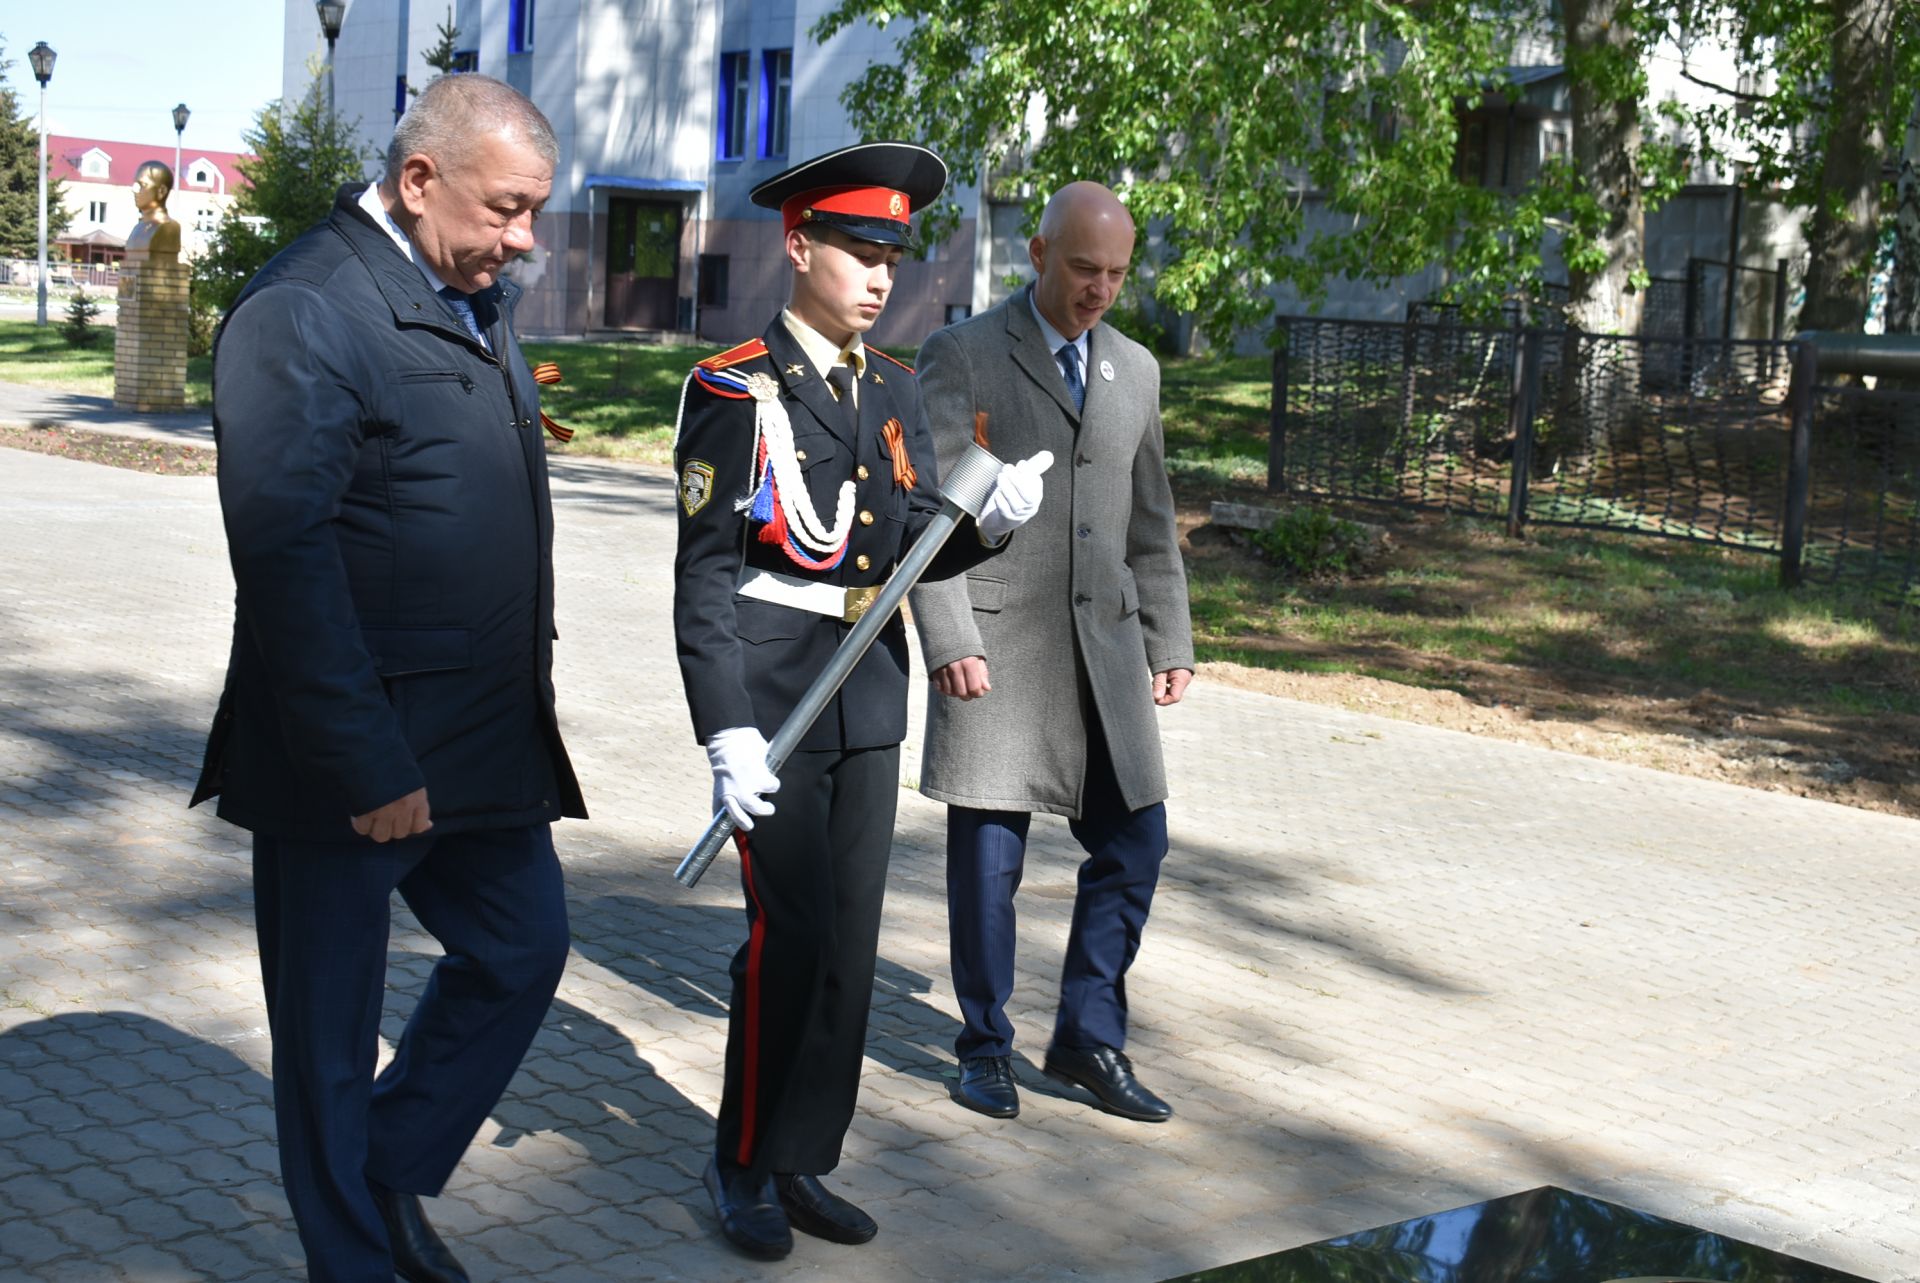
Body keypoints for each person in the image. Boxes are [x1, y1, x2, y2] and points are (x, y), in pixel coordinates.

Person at [190, 74, 584, 1283]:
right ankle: (352, 1258)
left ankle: (391, 1165)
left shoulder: (466, 292)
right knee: (323, 1037)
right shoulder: (306, 307)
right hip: (349, 758)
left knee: (524, 947)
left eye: (534, 214)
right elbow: (285, 555)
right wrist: (364, 760)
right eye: (506, 209)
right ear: (419, 181)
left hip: (477, 739)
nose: (523, 240)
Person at [671, 141, 1049, 1261]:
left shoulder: (887, 386)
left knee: (844, 944)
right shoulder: (735, 386)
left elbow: (909, 545)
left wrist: (996, 518)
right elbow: (703, 571)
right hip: (777, 694)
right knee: (782, 940)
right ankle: (738, 1159)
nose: (882, 274)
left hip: (866, 695)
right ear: (800, 247)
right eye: (858, 249)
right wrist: (722, 725)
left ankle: (798, 1157)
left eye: (894, 253)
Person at [908, 181, 1195, 1126]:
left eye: (1116, 273)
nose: (1099, 290)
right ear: (1038, 253)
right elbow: (930, 517)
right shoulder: (963, 356)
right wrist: (947, 634)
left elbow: (1151, 522)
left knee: (1135, 841)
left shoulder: (1137, 371)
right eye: (1083, 269)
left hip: (1104, 655)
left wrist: (1170, 636)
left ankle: (1086, 1036)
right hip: (999, 647)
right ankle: (984, 1046)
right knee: (990, 862)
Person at [124, 160, 181, 256]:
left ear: (161, 191)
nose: (135, 190)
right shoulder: (138, 228)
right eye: (135, 185)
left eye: (142, 185)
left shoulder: (168, 228)